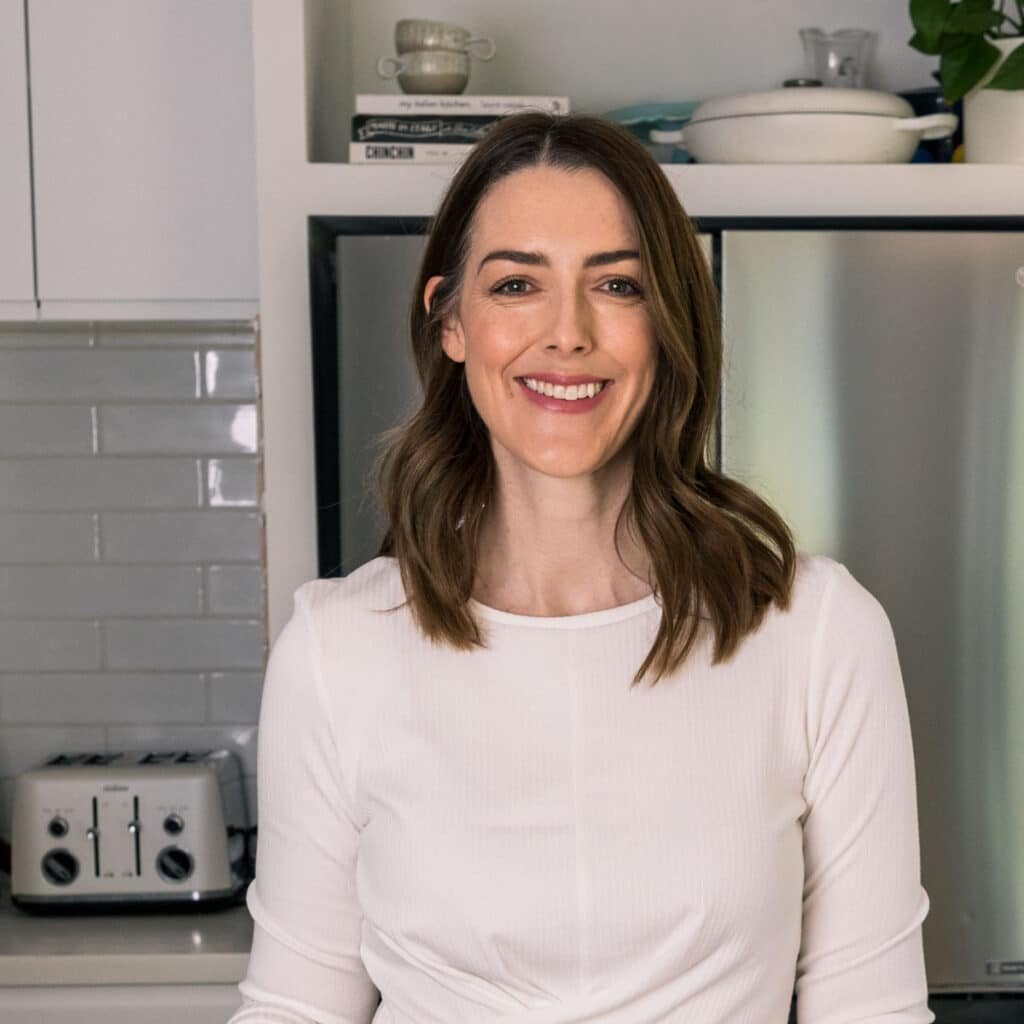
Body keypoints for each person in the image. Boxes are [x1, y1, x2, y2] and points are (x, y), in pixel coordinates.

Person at [227, 112, 933, 1023]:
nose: (568, 333)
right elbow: (296, 1005)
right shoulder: (336, 649)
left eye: (617, 285)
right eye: (518, 283)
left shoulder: (816, 630)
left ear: (668, 322)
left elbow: (870, 1010)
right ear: (451, 321)